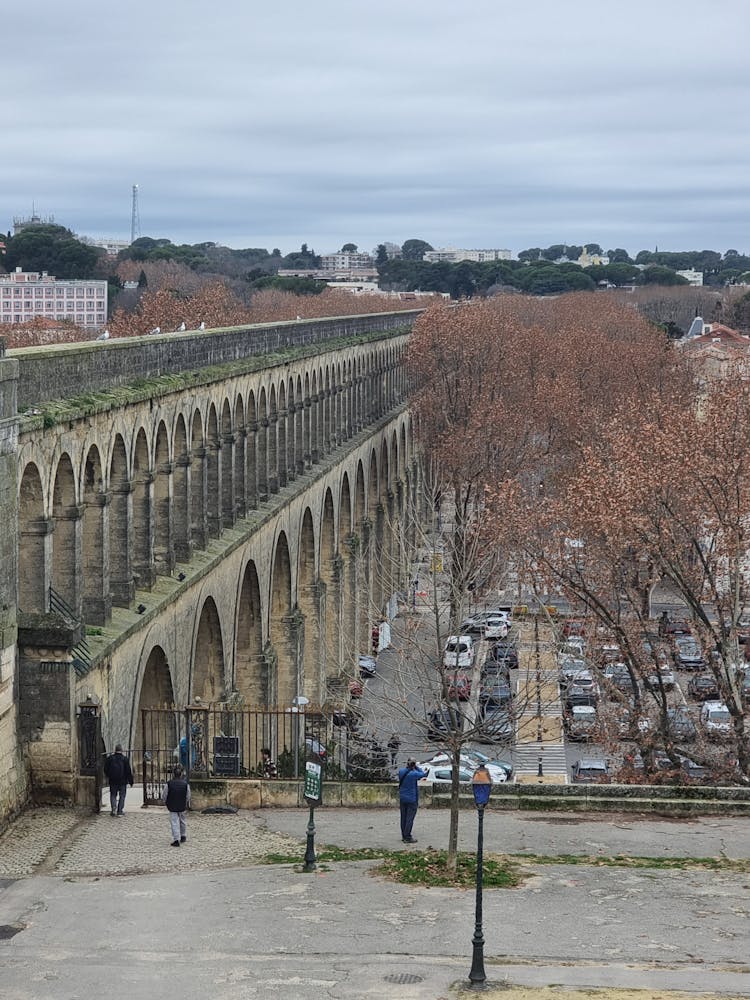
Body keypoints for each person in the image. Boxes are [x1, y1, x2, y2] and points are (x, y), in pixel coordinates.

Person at [397, 758, 429, 844]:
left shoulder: (401, 771)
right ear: (413, 764)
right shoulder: (414, 774)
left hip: (402, 798)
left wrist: (412, 765)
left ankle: (404, 835)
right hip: (412, 799)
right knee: (409, 819)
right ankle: (407, 837)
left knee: (403, 817)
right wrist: (416, 767)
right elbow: (423, 774)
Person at [161, 764, 191, 847]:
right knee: (183, 821)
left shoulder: (169, 784)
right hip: (182, 804)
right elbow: (188, 795)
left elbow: (164, 795)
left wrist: (165, 802)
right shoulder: (185, 784)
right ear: (181, 774)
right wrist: (185, 802)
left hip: (172, 805)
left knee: (174, 822)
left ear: (173, 774)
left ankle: (176, 839)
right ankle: (183, 835)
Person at [104, 743, 133, 817]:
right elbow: (128, 771)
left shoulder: (110, 758)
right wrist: (131, 781)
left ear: (115, 750)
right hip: (123, 781)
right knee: (122, 795)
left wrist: (109, 776)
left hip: (113, 780)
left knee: (113, 795)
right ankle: (120, 811)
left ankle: (113, 808)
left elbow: (105, 769)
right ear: (121, 750)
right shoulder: (125, 759)